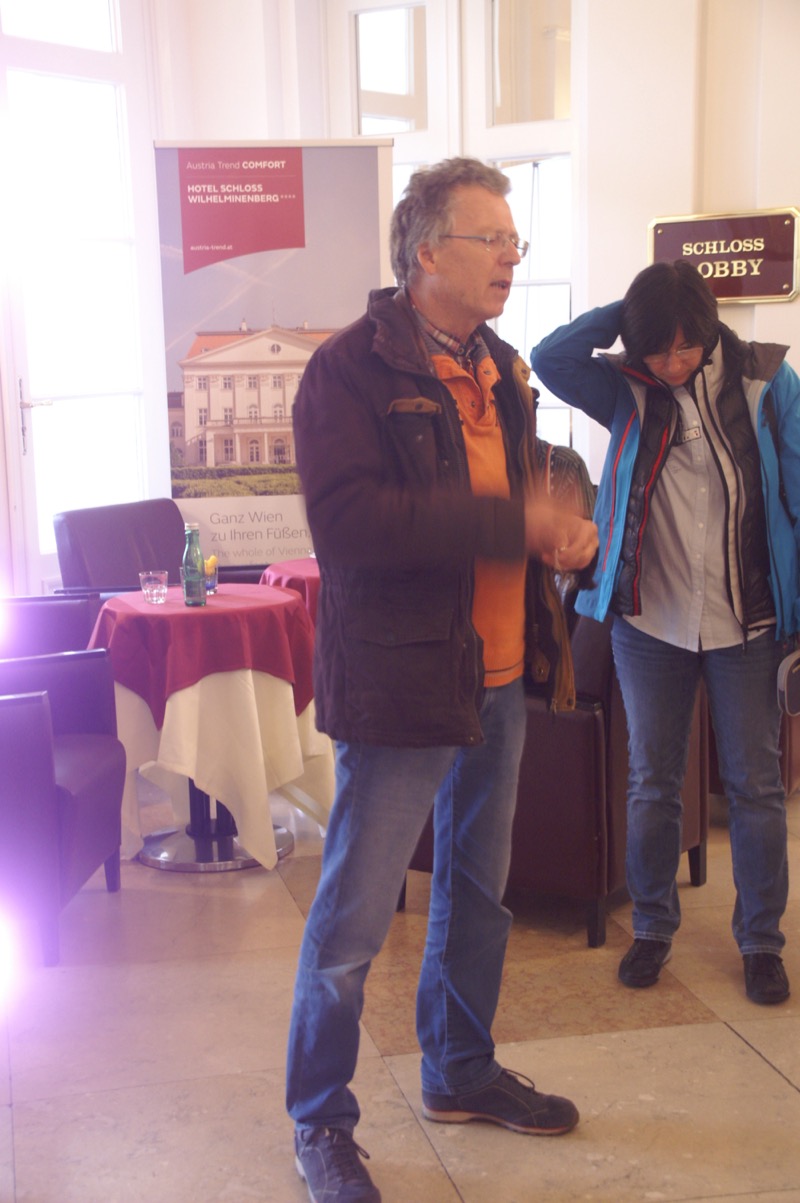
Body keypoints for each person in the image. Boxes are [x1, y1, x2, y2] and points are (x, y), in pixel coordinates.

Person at [286, 157, 598, 1203]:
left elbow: (515, 500)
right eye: (491, 238)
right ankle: (319, 1120)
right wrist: (511, 520)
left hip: (498, 675)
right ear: (427, 252)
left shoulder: (501, 368)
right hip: (401, 685)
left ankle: (460, 1069)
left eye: (514, 240)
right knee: (352, 923)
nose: (511, 256)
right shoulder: (347, 372)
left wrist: (558, 534)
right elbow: (351, 525)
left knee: (477, 892)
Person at [531, 259, 797, 1009]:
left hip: (749, 620)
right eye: (658, 350)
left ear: (710, 331)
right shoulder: (628, 385)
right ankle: (651, 926)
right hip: (651, 620)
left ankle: (761, 942)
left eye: (685, 347)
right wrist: (634, 316)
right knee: (652, 781)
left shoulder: (767, 380)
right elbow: (551, 358)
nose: (672, 364)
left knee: (755, 786)